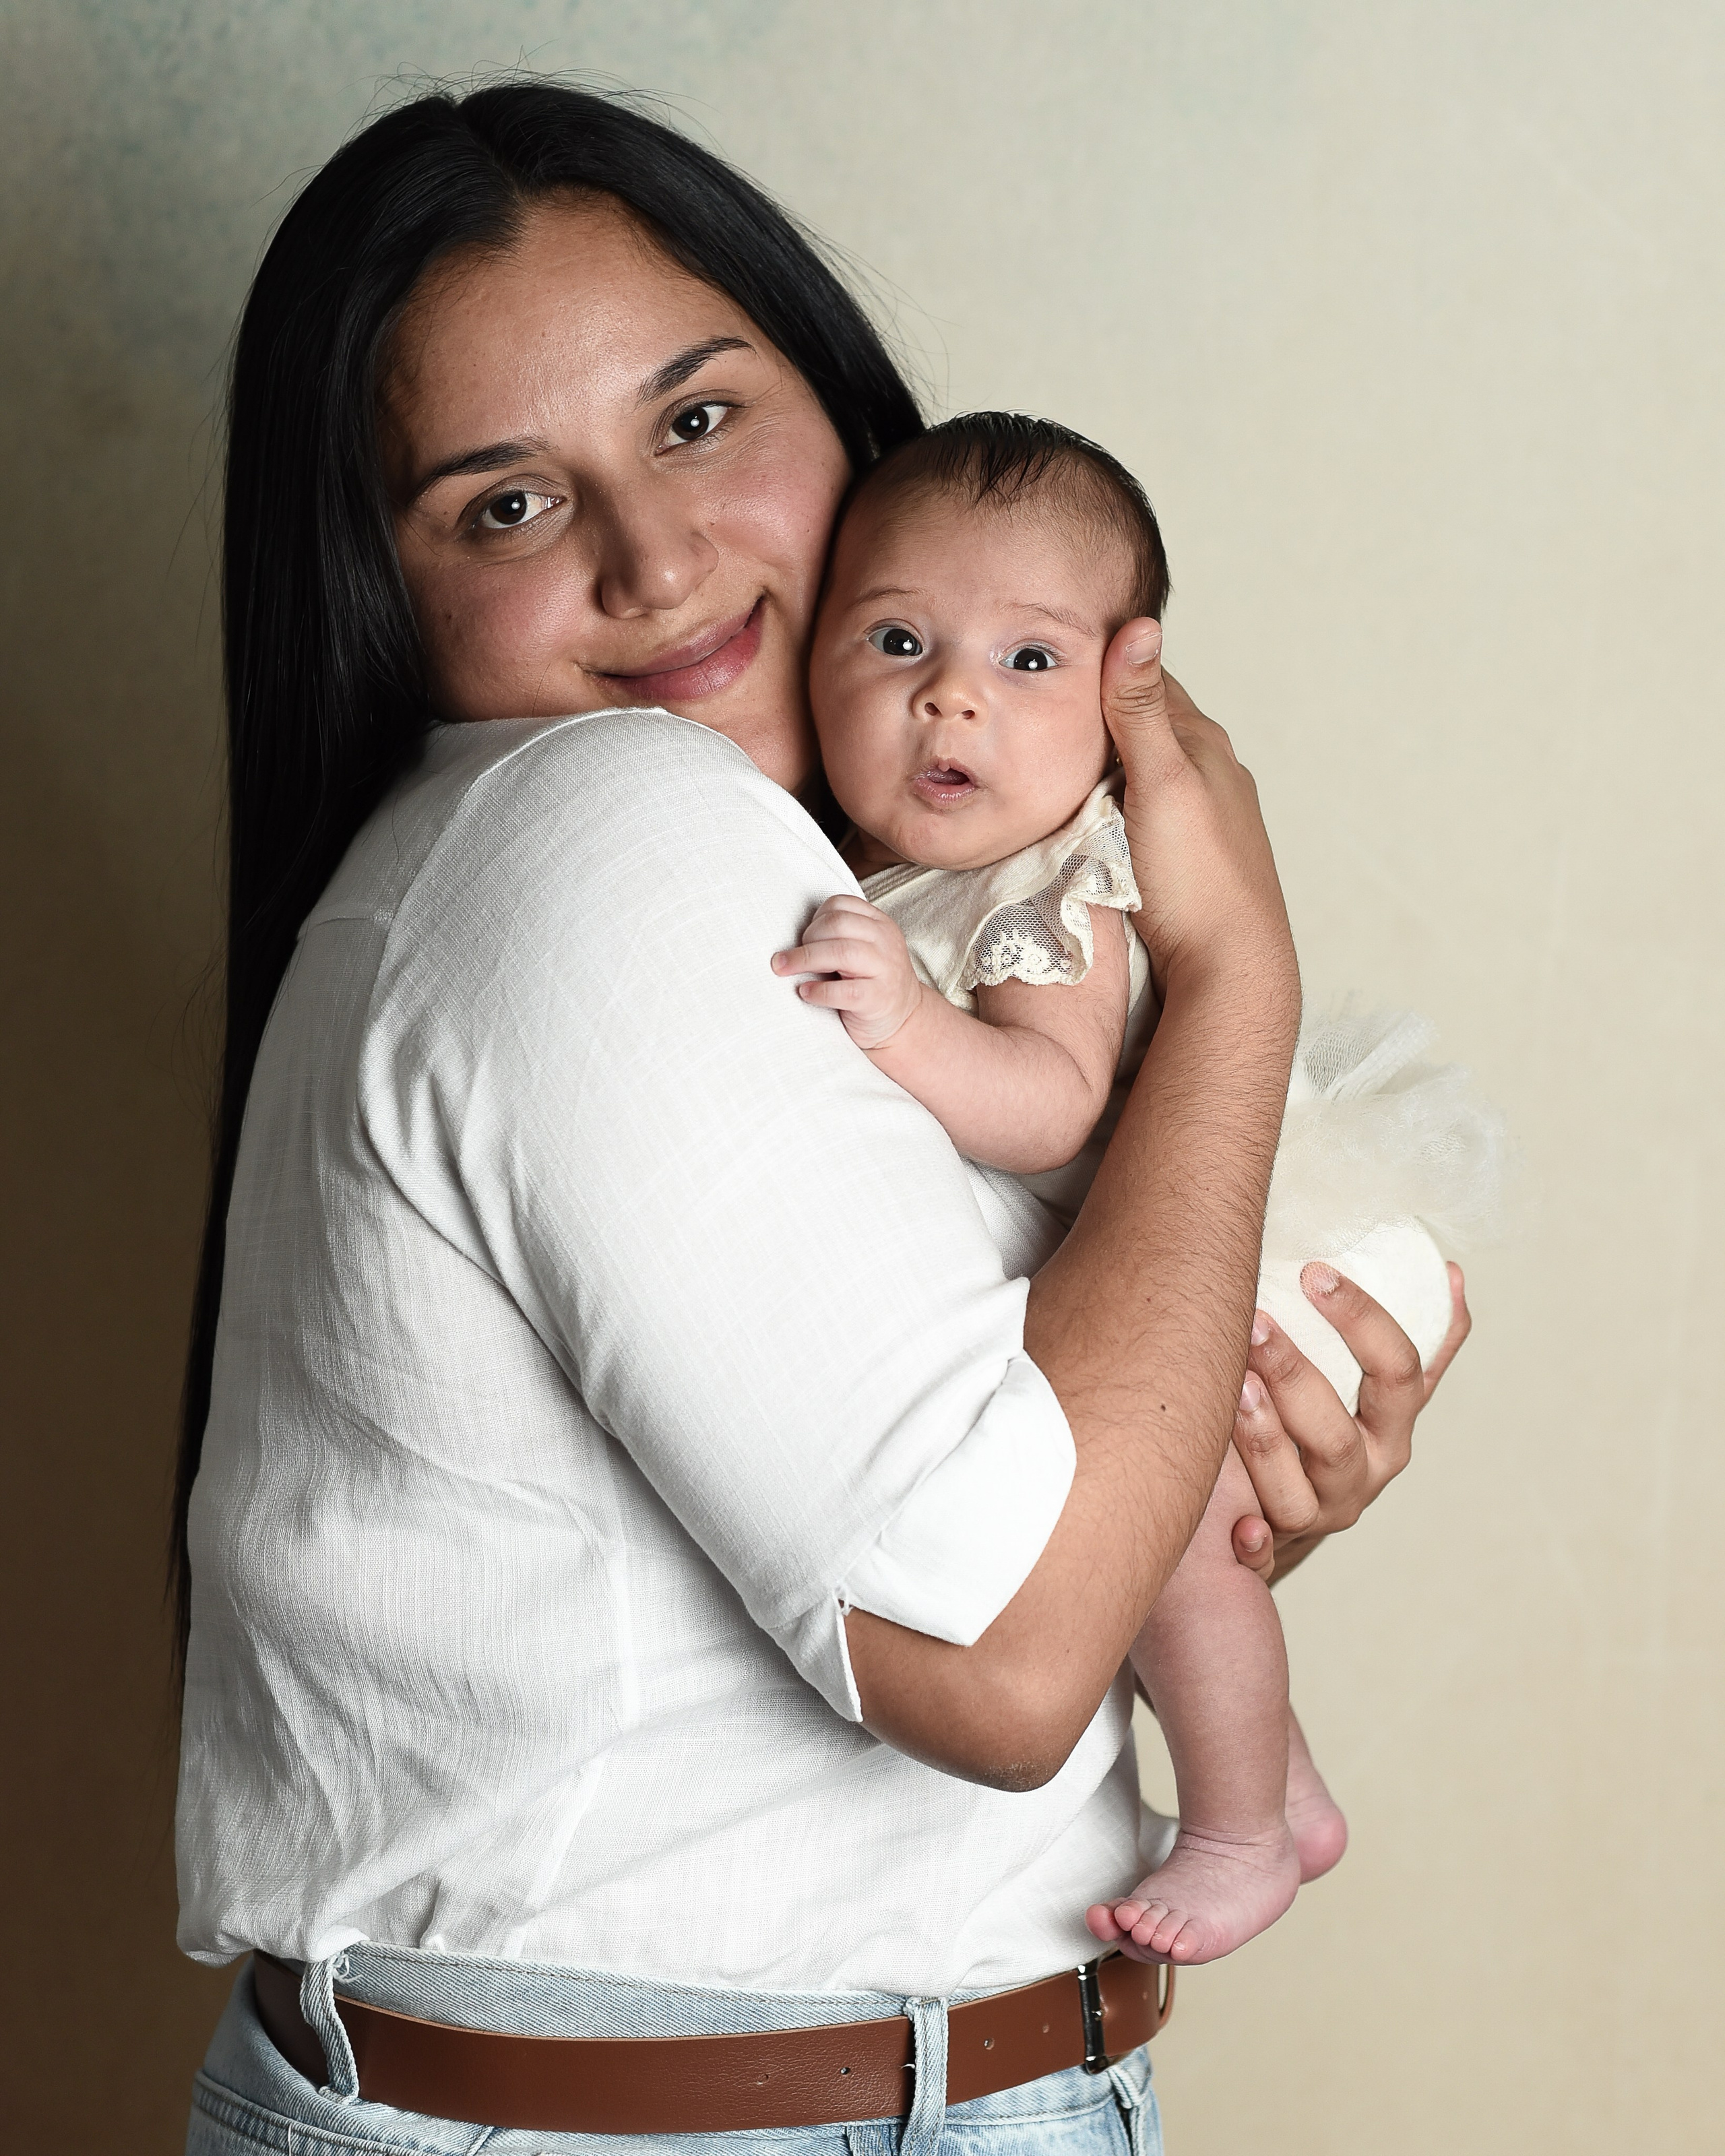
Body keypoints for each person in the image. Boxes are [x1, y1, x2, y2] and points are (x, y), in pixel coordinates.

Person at [173, 82, 1468, 2156]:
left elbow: (970, 1529)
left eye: (698, 421)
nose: (657, 557)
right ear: (377, 587)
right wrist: (1235, 979)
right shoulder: (611, 829)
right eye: (502, 504)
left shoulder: (845, 902)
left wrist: (1200, 1495)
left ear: (845, 410)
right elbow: (999, 1662)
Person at [776, 411, 1493, 1970]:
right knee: (1152, 1524)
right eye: (896, 638)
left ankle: (1240, 1822)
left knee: (1155, 1532)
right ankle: (1279, 1780)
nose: (949, 691)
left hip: (1269, 1244)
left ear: (1123, 696)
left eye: (1027, 662)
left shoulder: (1049, 885)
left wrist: (902, 1017)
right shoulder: (898, 875)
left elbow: (1045, 1105)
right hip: (1186, 1234)